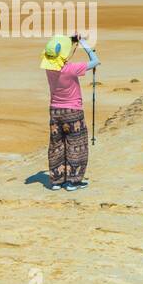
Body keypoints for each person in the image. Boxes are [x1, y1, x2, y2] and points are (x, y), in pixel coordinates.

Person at [42, 33, 99, 191]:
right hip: (73, 112)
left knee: (57, 145)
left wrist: (70, 40)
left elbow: (53, 52)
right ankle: (73, 181)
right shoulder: (71, 69)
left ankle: (57, 181)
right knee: (76, 145)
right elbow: (96, 61)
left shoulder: (48, 68)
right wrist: (83, 44)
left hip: (55, 111)